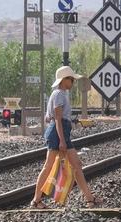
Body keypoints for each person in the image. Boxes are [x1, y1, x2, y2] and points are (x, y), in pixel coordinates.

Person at [30, 65, 102, 208]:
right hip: (58, 134)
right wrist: (62, 141)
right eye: (71, 79)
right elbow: (57, 118)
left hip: (61, 133)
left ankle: (89, 199)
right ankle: (36, 200)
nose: (73, 82)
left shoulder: (60, 94)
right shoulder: (58, 94)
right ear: (63, 80)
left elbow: (48, 118)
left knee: (76, 165)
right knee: (49, 167)